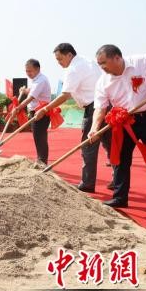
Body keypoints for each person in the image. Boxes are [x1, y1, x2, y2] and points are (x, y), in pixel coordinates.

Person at [88, 45, 146, 217]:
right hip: (125, 121)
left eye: (103, 63)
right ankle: (119, 197)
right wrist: (94, 129)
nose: (101, 67)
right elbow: (100, 109)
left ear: (117, 57)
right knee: (119, 158)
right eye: (99, 64)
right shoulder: (103, 82)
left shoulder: (142, 61)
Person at [33, 43, 112, 193]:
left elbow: (65, 94)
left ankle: (87, 183)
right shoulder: (88, 61)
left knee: (88, 145)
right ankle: (116, 180)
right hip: (108, 104)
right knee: (110, 144)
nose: (59, 63)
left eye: (60, 59)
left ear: (69, 55)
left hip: (95, 107)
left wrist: (45, 109)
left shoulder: (73, 69)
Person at [10, 59, 51, 164]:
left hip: (41, 112)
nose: (28, 73)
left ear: (37, 69)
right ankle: (41, 159)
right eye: (26, 71)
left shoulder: (41, 80)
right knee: (38, 136)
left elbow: (31, 97)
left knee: (40, 137)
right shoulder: (36, 79)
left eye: (30, 71)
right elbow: (31, 91)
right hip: (35, 111)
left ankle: (42, 161)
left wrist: (18, 107)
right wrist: (25, 91)